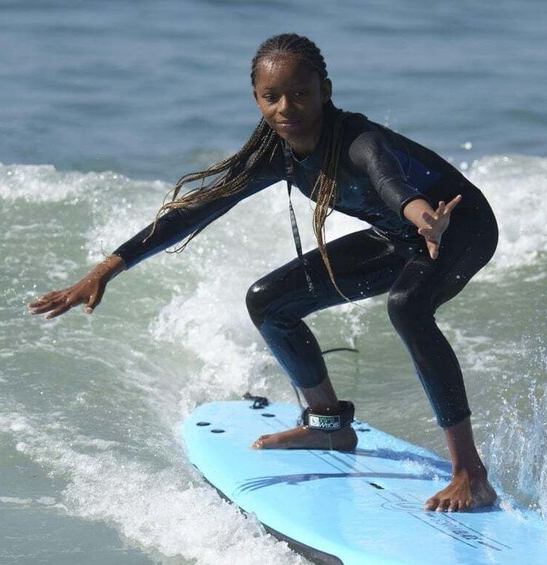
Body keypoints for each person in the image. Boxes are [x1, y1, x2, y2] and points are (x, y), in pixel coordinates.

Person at [29, 33, 498, 512]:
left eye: (300, 93)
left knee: (408, 307)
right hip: (399, 238)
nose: (286, 107)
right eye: (271, 97)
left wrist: (424, 218)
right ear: (256, 99)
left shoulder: (361, 141)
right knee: (268, 303)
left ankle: (470, 475)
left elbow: (390, 182)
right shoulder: (275, 154)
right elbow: (193, 212)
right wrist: (108, 268)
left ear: (326, 91)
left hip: (459, 228)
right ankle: (329, 427)